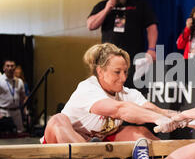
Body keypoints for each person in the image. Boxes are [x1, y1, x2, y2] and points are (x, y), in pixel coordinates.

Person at [41, 43, 178, 144]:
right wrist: (157, 118)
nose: (123, 78)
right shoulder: (88, 88)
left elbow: (152, 109)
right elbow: (120, 109)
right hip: (65, 142)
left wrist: (181, 117)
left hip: (97, 143)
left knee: (141, 133)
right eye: (117, 72)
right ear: (100, 71)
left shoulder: (127, 92)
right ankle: (86, 158)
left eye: (125, 72)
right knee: (57, 119)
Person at [87, 0, 159, 88]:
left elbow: (152, 27)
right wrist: (106, 9)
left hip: (133, 60)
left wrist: (151, 49)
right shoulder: (103, 5)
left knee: (132, 92)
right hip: (108, 60)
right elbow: (91, 25)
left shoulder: (139, 4)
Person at [0, 59, 26, 133]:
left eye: (12, 66)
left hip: (16, 112)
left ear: (15, 67)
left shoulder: (19, 81)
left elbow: (22, 97)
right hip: (3, 111)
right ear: (4, 68)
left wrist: (24, 111)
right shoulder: (0, 80)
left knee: (20, 133)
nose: (10, 68)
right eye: (7, 66)